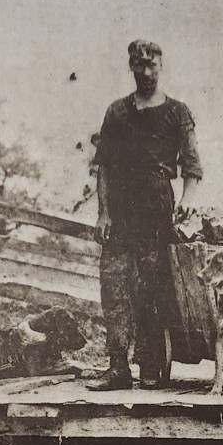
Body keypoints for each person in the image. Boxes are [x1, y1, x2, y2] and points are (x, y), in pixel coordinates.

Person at [89, 40, 204, 390]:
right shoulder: (117, 112)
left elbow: (193, 166)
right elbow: (104, 167)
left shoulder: (177, 112)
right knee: (113, 283)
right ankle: (117, 366)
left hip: (156, 205)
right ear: (131, 67)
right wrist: (104, 213)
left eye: (153, 65)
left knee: (152, 285)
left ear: (161, 67)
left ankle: (151, 366)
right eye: (139, 64)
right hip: (121, 206)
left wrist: (187, 199)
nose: (146, 71)